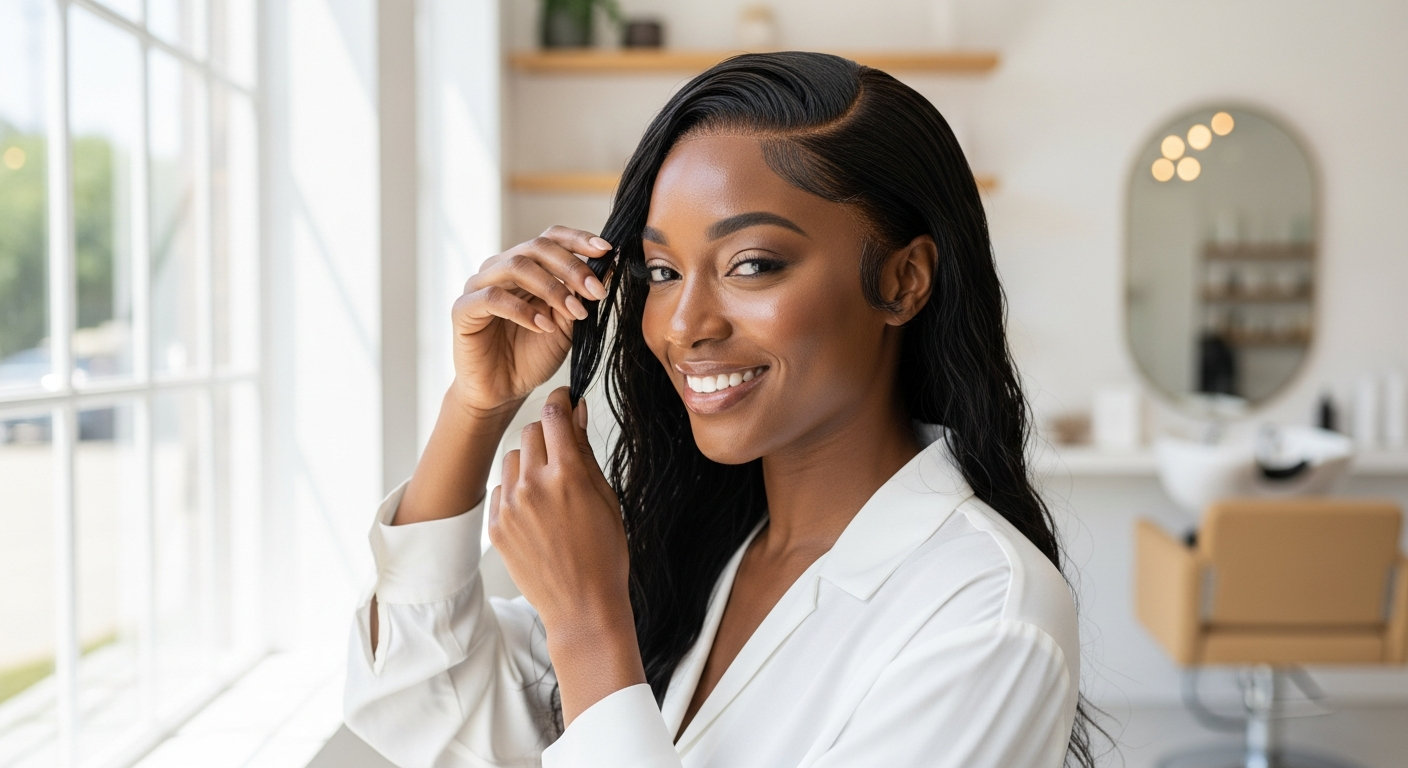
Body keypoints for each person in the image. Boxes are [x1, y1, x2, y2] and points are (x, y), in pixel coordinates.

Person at [344, 52, 1101, 768]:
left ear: (903, 281)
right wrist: (477, 406)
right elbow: (416, 699)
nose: (684, 324)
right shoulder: (696, 551)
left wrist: (586, 626)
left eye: (752, 265)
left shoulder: (986, 616)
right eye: (664, 270)